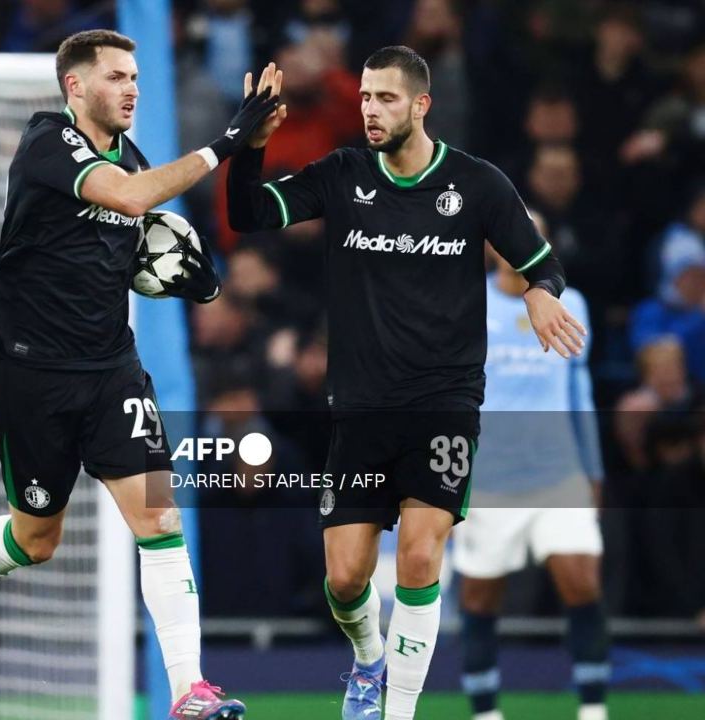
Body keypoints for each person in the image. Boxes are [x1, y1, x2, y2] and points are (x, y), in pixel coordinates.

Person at [0, 29, 279, 720]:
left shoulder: (137, 160)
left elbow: (143, 236)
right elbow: (124, 198)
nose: (132, 89)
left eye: (135, 77)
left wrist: (194, 281)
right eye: (116, 76)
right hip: (29, 374)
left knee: (160, 516)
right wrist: (224, 142)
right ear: (76, 87)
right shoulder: (46, 142)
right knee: (37, 538)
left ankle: (189, 689)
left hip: (110, 371)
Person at [227, 48, 585, 720]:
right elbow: (248, 215)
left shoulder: (476, 185)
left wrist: (539, 291)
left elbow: (544, 264)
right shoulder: (342, 174)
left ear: (421, 105)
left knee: (420, 558)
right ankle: (368, 662)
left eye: (387, 99)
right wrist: (249, 146)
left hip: (444, 405)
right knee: (345, 579)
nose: (370, 109)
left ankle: (399, 711)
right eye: (365, 97)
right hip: (360, 409)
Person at [454, 227, 609, 720]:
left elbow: (578, 391)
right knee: (479, 597)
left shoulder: (574, 303)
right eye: (508, 237)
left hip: (558, 472)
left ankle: (593, 710)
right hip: (488, 479)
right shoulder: (465, 302)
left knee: (582, 582)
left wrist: (592, 468)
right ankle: (485, 711)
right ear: (491, 248)